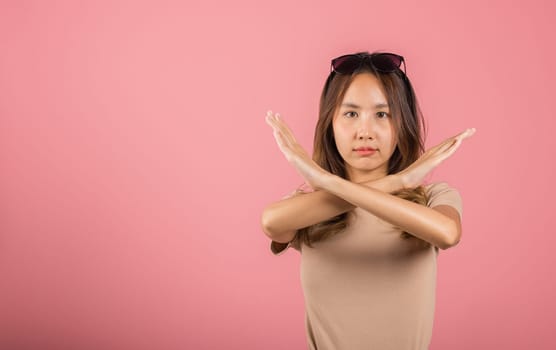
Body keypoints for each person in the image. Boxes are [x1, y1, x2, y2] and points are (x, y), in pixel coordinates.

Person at [261, 51, 476, 350]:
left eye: (382, 114)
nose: (365, 132)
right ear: (330, 124)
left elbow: (448, 233)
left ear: (402, 123)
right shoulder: (309, 207)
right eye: (351, 114)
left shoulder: (433, 196)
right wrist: (396, 182)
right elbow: (271, 222)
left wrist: (327, 182)